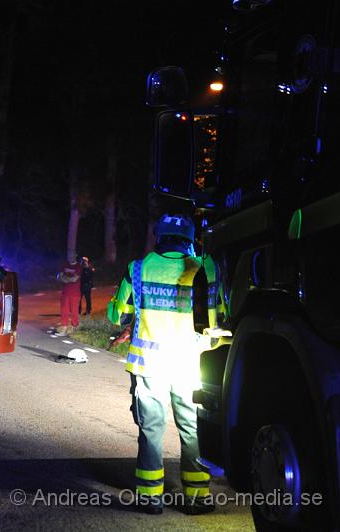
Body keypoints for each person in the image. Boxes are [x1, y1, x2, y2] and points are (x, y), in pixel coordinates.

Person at [106, 213, 217, 516]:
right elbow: (216, 316)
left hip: (149, 365)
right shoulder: (204, 268)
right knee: (192, 428)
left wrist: (125, 315)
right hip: (190, 364)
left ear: (158, 237)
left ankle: (151, 498)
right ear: (191, 239)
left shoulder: (138, 268)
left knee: (151, 429)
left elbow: (116, 314)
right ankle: (197, 497)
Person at [55, 257, 82, 335]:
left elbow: (74, 279)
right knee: (64, 311)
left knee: (74, 311)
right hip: (65, 293)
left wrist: (64, 278)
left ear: (75, 255)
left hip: (75, 293)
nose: (70, 256)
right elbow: (58, 277)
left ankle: (74, 328)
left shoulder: (78, 266)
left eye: (72, 253)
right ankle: (64, 328)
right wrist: (68, 279)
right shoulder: (64, 264)